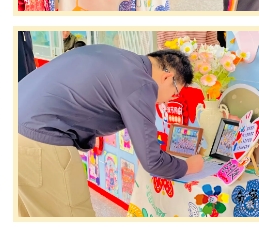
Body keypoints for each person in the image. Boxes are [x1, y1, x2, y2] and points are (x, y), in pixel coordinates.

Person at [17, 46, 204, 217]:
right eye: (175, 92)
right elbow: (152, 161)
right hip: (40, 138)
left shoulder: (119, 58)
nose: (171, 100)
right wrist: (189, 166)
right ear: (167, 77)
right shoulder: (141, 83)